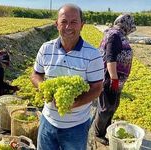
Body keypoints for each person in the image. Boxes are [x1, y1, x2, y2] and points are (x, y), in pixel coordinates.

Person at [30, 4, 104, 150]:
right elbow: (35, 75)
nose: (68, 26)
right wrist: (44, 88)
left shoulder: (93, 55)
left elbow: (97, 88)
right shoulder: (46, 49)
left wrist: (74, 103)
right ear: (56, 24)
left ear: (82, 25)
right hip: (47, 121)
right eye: (63, 21)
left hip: (76, 126)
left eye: (74, 22)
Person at [93, 13, 137, 145]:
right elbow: (110, 58)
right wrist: (114, 79)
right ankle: (98, 134)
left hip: (115, 79)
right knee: (106, 107)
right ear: (125, 24)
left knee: (113, 105)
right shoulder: (114, 35)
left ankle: (106, 129)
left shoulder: (119, 34)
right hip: (109, 78)